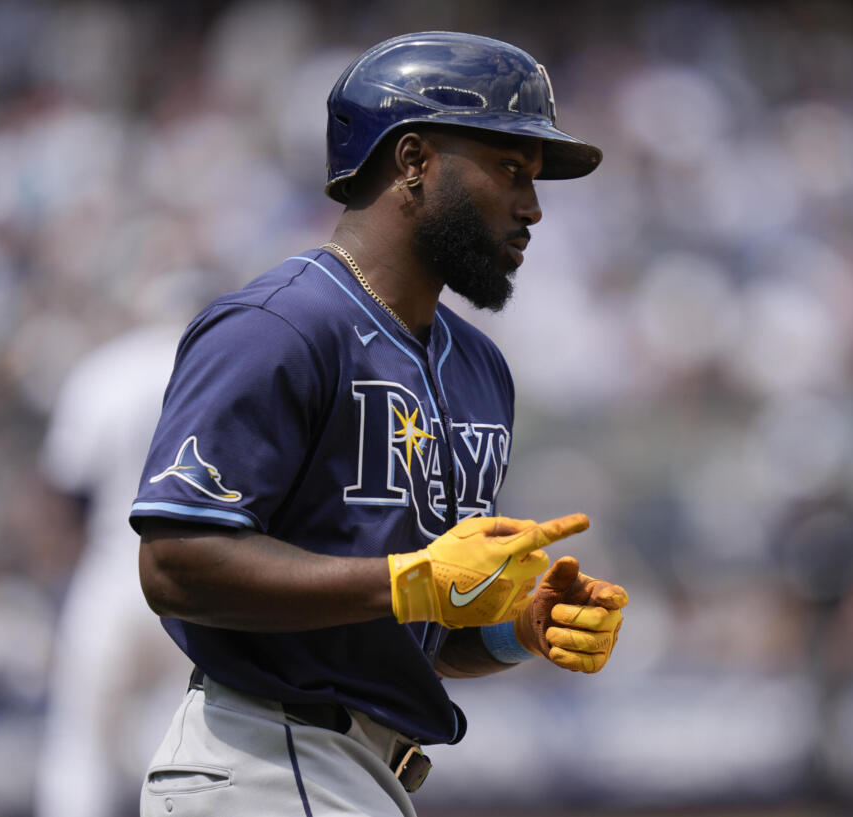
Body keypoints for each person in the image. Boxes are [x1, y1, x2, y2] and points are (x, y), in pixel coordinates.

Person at [130, 31, 629, 817]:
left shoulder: (480, 369)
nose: (533, 206)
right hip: (267, 756)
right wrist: (412, 580)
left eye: (534, 178)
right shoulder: (278, 325)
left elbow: (407, 616)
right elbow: (176, 565)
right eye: (509, 168)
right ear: (413, 160)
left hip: (364, 771)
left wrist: (514, 626)